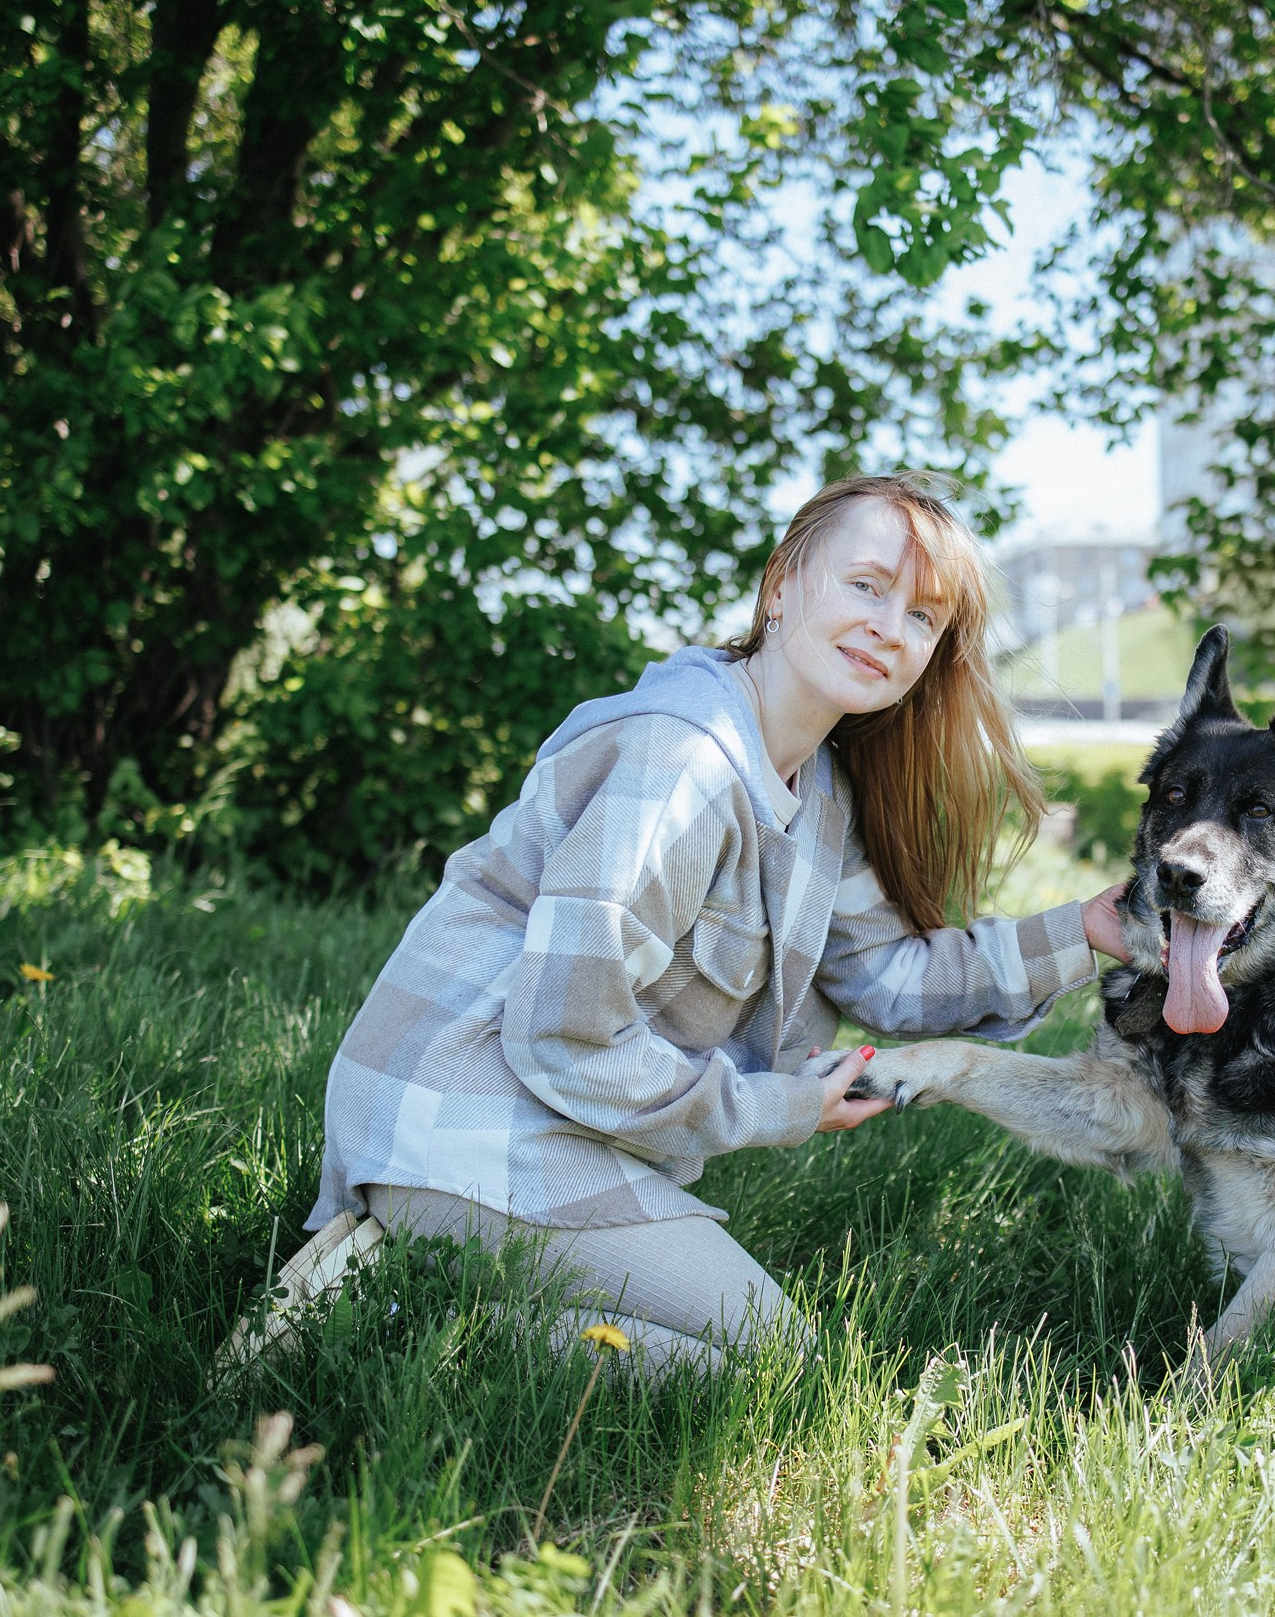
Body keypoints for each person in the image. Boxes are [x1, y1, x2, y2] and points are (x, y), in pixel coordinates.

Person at [302, 473, 1130, 1375]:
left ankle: (401, 1291)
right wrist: (780, 1107)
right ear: (781, 586)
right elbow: (566, 1034)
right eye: (866, 585)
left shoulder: (818, 790)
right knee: (777, 1368)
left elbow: (886, 975)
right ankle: (373, 1319)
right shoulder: (683, 762)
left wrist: (1088, 930)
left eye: (923, 617)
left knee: (761, 1367)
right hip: (458, 1118)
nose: (891, 627)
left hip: (560, 1119)